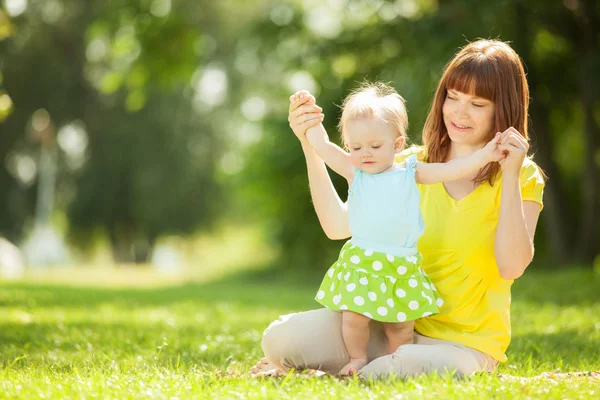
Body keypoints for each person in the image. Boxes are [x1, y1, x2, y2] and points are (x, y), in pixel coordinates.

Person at [252, 39, 545, 379]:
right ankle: (360, 370)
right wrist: (309, 145)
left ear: (503, 109)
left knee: (401, 366)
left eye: (477, 103)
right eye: (452, 97)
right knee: (280, 340)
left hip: (462, 344)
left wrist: (508, 175)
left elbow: (511, 266)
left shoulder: (522, 174)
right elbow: (338, 226)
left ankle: (340, 376)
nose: (459, 113)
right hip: (387, 321)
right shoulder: (405, 166)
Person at [295, 82, 505, 375]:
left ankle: (392, 362)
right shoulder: (355, 171)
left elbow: (449, 170)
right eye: (356, 147)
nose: (365, 153)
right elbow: (322, 146)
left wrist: (484, 157)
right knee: (353, 317)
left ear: (396, 144)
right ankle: (356, 358)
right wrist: (308, 116)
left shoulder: (410, 172)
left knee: (401, 326)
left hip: (401, 264)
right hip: (364, 261)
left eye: (375, 146)